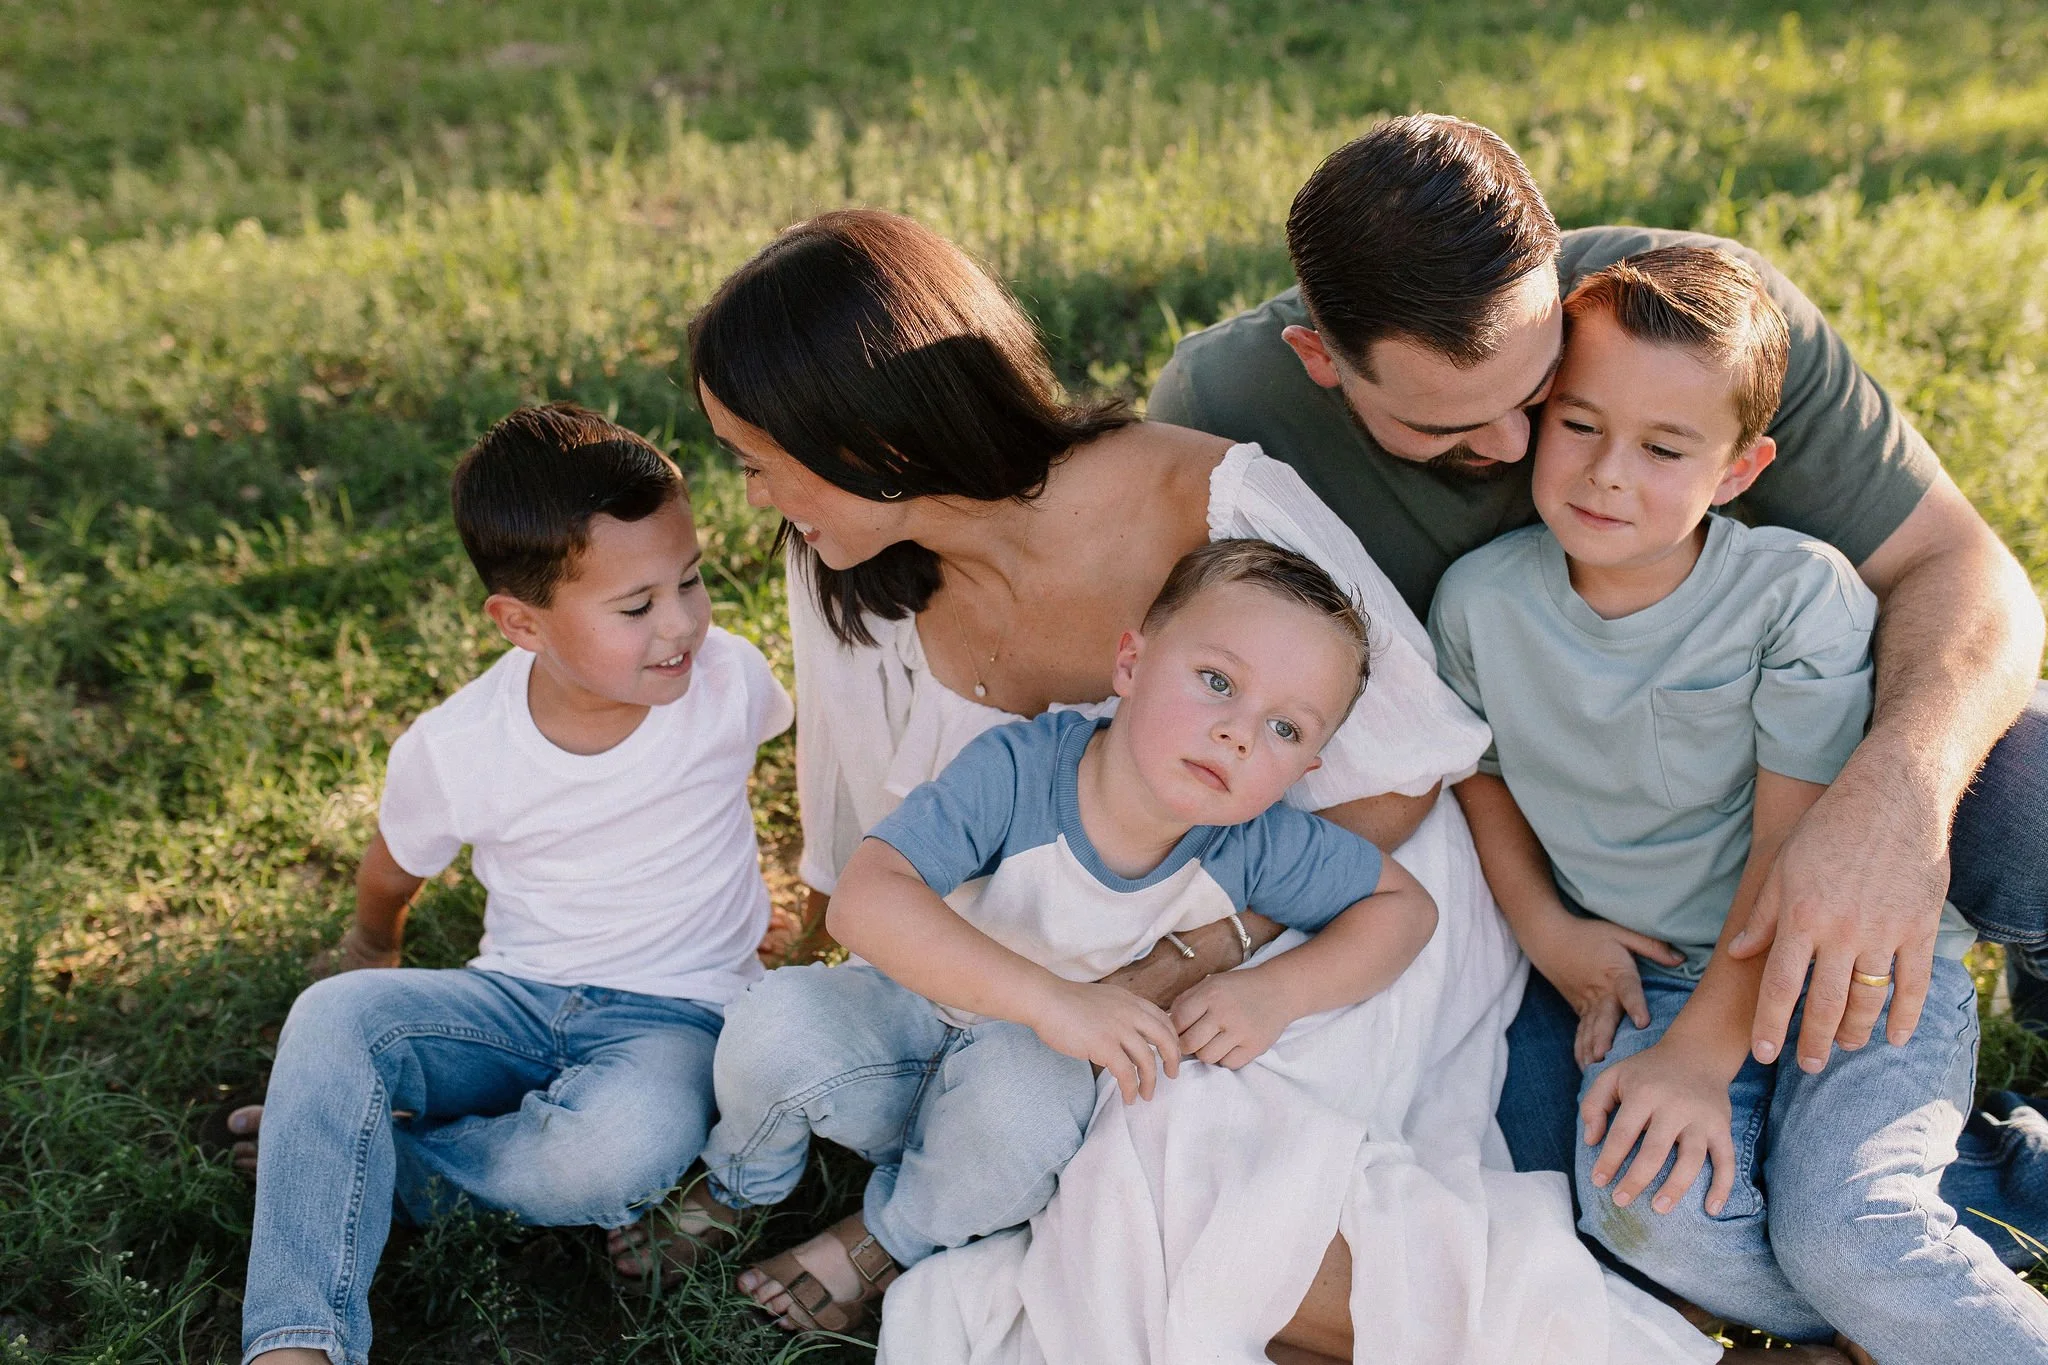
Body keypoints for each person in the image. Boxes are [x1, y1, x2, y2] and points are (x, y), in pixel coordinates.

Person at [670, 207, 1808, 1363]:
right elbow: (852, 833)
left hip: (1309, 908)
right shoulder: (847, 571)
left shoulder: (1211, 502)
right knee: (1070, 1151)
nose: (756, 496)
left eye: (760, 461)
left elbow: (1405, 773)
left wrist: (1188, 959)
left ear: (870, 438)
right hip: (1043, 941)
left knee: (1169, 1181)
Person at [1147, 111, 2048, 1240]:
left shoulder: (1681, 318)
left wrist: (1895, 799)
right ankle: (1944, 1189)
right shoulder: (1219, 420)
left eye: (1536, 395)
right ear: (1320, 364)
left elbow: (1960, 568)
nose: (1520, 452)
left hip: (1792, 759)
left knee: (2035, 788)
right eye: (1447, 428)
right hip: (1538, 878)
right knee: (1581, 1202)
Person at [1429, 245, 2048, 1361]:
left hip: (1839, 963)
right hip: (1648, 979)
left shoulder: (1791, 596)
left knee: (1847, 1232)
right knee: (1641, 1216)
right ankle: (1919, 1271)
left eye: (1664, 448)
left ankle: (1889, 1279)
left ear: (1737, 467)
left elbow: (1793, 841)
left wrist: (1700, 1060)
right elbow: (1475, 772)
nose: (1608, 473)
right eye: (1578, 426)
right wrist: (1543, 925)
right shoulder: (1477, 603)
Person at [687, 540, 1436, 1332]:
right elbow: (865, 900)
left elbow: (1404, 908)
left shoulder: (1253, 843)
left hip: (1017, 1088)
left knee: (1028, 1118)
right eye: (1216, 682)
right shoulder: (1023, 768)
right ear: (1131, 663)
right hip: (902, 1019)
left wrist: (1276, 990)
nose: (1238, 734)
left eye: (1284, 728)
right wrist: (1051, 1000)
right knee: (774, 1025)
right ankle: (740, 1179)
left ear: (1307, 766)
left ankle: (882, 1238)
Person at [233, 405, 794, 1365]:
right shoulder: (462, 745)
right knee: (333, 1017)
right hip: (512, 998)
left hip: (676, 1020)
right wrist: (373, 941)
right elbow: (393, 860)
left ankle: (368, 1160)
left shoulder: (728, 680)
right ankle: (299, 1339)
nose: (683, 624)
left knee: (609, 1157)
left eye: (691, 581)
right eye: (637, 606)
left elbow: (797, 793)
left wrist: (790, 909)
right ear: (520, 622)